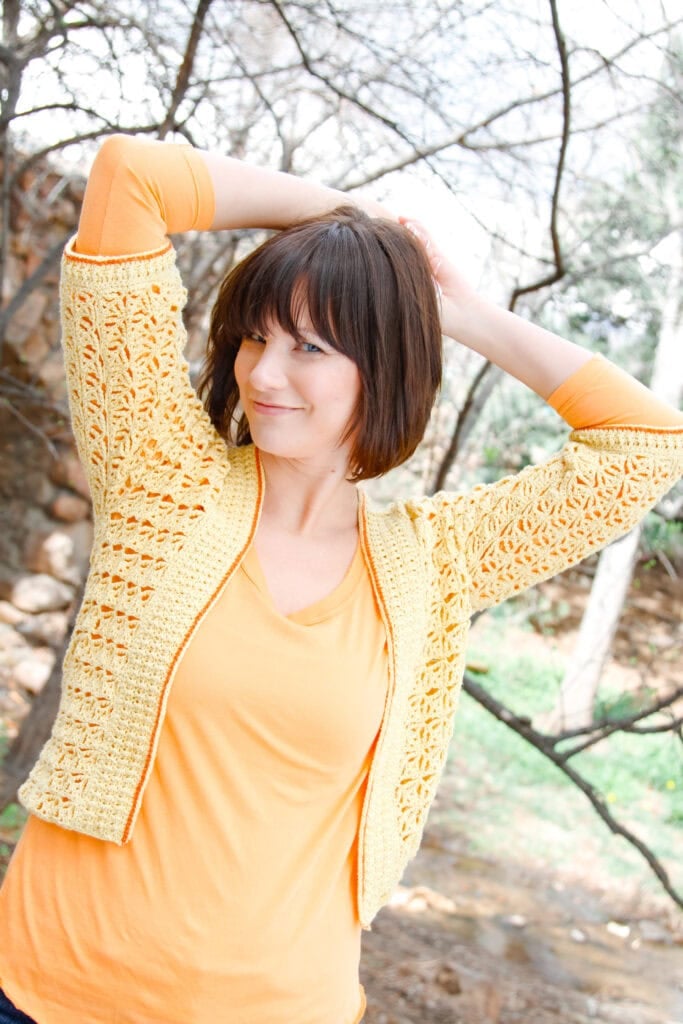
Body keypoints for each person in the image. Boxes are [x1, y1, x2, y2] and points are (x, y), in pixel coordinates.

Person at [0, 134, 681, 1024]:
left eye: (311, 347)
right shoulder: (160, 482)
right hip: (46, 989)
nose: (265, 374)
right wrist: (359, 229)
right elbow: (134, 178)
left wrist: (452, 308)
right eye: (254, 337)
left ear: (386, 366)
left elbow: (642, 441)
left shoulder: (438, 564)